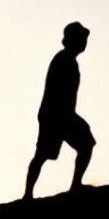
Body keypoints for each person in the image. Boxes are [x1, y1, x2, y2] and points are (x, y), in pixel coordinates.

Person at [23, 21, 95, 199]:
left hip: (61, 114)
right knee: (42, 154)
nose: (85, 42)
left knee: (85, 144)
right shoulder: (64, 60)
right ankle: (28, 194)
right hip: (56, 115)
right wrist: (61, 115)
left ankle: (74, 185)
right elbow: (58, 91)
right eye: (82, 38)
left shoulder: (68, 60)